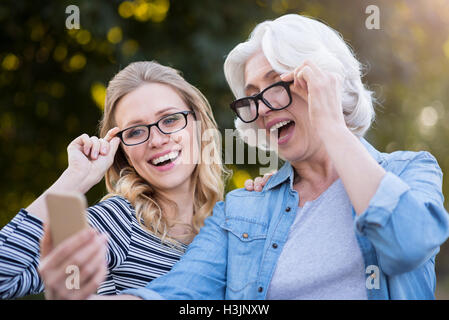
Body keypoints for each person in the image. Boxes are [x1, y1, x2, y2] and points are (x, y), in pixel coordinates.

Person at [40, 14, 449, 300]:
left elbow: (408, 244)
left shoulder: (409, 170)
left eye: (277, 85)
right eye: (252, 96)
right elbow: (172, 294)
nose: (262, 107)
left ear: (326, 80)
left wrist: (333, 129)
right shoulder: (243, 210)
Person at [0, 61, 268, 299]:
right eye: (136, 131)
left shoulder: (228, 223)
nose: (157, 140)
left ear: (198, 124)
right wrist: (75, 179)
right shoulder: (118, 221)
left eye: (170, 120)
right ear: (123, 151)